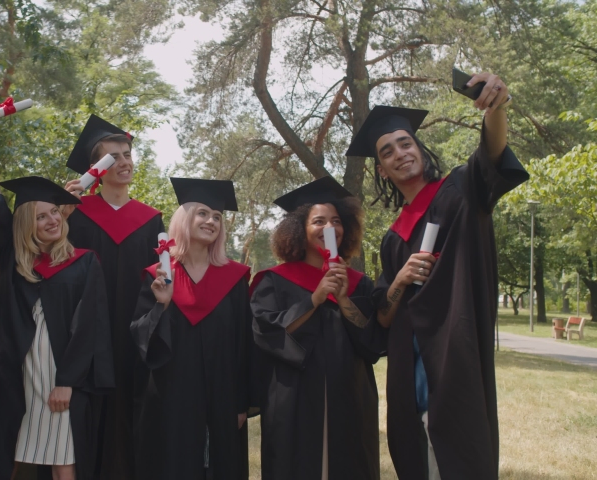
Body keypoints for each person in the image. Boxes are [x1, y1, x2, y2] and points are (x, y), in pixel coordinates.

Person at [346, 73, 529, 479]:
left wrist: (495, 107)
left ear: (421, 148)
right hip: (409, 382)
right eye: (388, 151)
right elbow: (383, 316)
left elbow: (492, 154)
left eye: (405, 143)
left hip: (454, 365)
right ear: (383, 169)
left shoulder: (461, 192)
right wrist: (398, 282)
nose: (399, 153)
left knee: (460, 459)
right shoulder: (393, 239)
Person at [0, 113, 114, 480]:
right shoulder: (14, 262)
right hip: (18, 374)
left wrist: (68, 381)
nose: (51, 221)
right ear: (27, 223)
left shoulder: (83, 263)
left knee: (65, 455)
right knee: (8, 448)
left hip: (58, 375)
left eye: (55, 214)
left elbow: (87, 327)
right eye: (41, 216)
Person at [249, 176, 387, 480]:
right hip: (293, 398)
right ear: (300, 229)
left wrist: (342, 297)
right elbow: (267, 333)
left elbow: (372, 343)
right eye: (319, 221)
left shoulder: (359, 282)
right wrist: (315, 298)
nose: (329, 228)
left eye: (336, 221)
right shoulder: (273, 281)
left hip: (350, 394)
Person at [62, 114, 164, 480]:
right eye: (113, 157)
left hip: (137, 333)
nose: (124, 162)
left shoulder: (152, 220)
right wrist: (62, 211)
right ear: (96, 169)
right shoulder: (76, 215)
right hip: (88, 332)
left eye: (127, 154)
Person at [130, 178, 252, 480]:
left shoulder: (235, 279)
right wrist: (163, 305)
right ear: (185, 218)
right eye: (203, 213)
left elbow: (244, 345)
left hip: (222, 397)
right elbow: (141, 339)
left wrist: (241, 404)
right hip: (171, 397)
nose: (211, 221)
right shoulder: (159, 276)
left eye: (217, 217)